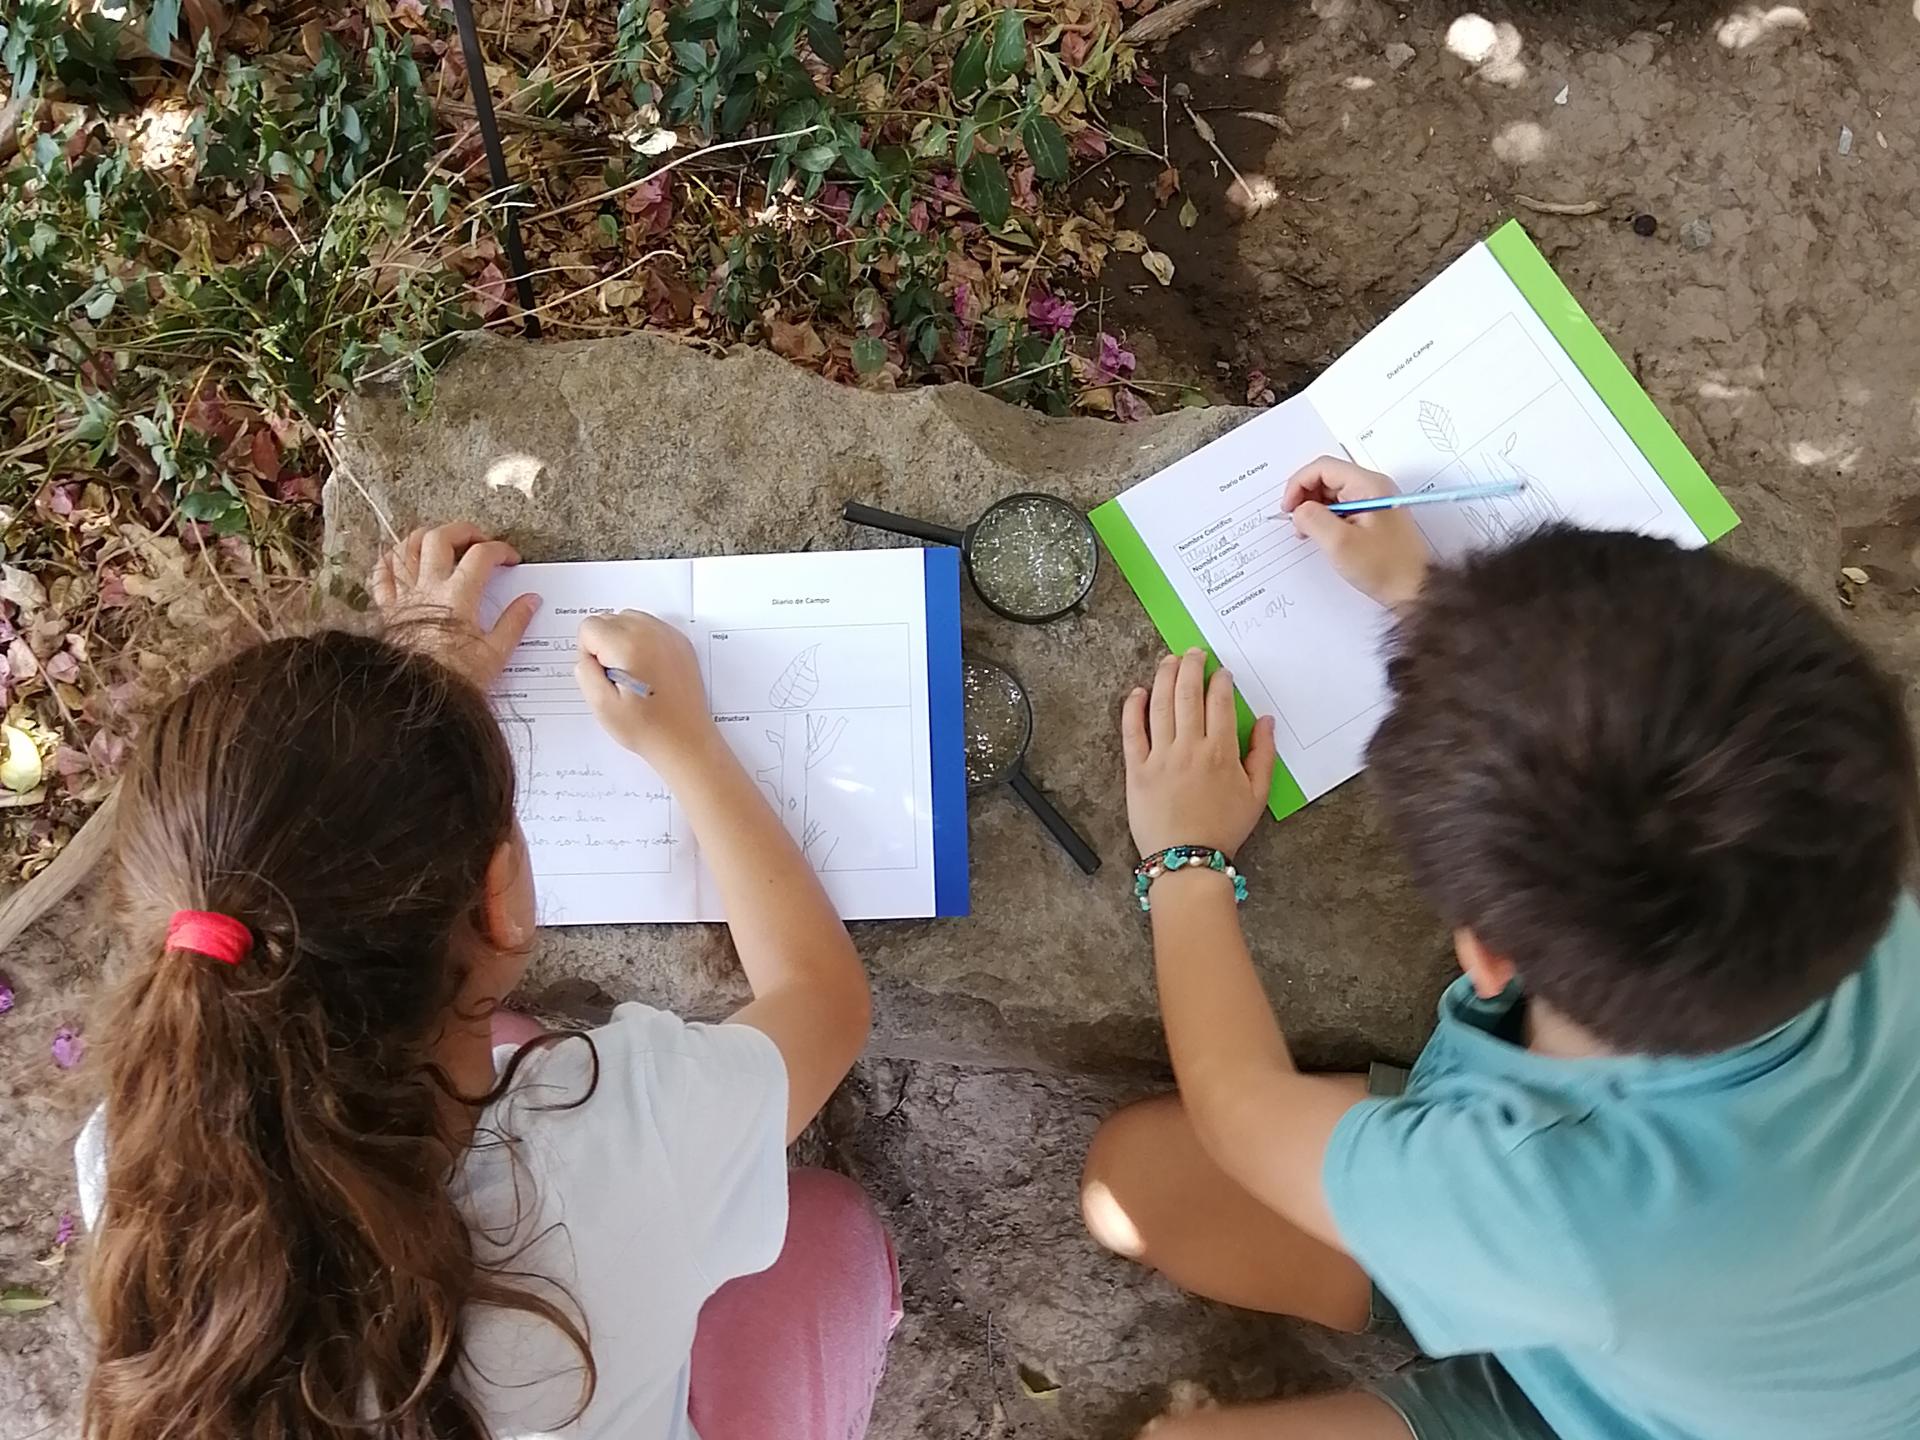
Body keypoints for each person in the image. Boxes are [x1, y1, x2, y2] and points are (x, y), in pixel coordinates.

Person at [1081, 457, 1920, 1440]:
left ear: (1486, 959)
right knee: (1142, 1184)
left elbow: (1239, 1113)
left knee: (1154, 1257)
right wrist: (1448, 619)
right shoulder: (1831, 851)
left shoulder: (1559, 1203)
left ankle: (1448, 1285)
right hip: (1737, 1329)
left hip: (1619, 1409)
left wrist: (1183, 859)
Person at [75, 524, 897, 1440]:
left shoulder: (140, 1153)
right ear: (499, 898)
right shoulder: (610, 1143)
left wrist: (420, 724)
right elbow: (824, 1000)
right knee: (824, 1228)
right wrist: (690, 746)